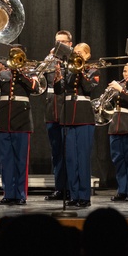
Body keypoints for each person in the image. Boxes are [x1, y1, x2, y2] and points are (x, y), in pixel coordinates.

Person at [0, 44, 38, 205]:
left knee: (21, 160)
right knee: (6, 160)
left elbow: (35, 87)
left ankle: (20, 194)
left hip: (22, 120)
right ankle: (8, 193)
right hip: (3, 120)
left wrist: (19, 72)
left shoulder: (30, 72)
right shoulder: (4, 73)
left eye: (18, 56)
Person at [56, 42, 99, 208]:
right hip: (67, 116)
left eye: (81, 52)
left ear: (87, 55)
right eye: (75, 52)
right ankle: (73, 195)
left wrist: (79, 70)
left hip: (83, 116)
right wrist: (59, 77)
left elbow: (88, 87)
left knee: (82, 158)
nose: (77, 55)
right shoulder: (68, 69)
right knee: (70, 159)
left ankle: (84, 196)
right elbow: (60, 91)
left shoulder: (92, 69)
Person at [43, 30, 74, 201]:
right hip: (51, 110)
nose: (59, 45)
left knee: (68, 152)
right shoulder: (50, 60)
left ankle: (71, 188)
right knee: (56, 153)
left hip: (67, 110)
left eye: (62, 42)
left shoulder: (73, 60)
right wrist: (48, 63)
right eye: (57, 42)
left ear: (70, 44)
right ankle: (59, 187)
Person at [106, 63, 128, 202]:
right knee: (118, 160)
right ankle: (122, 190)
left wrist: (120, 89)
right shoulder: (120, 84)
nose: (126, 74)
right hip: (115, 126)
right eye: (125, 71)